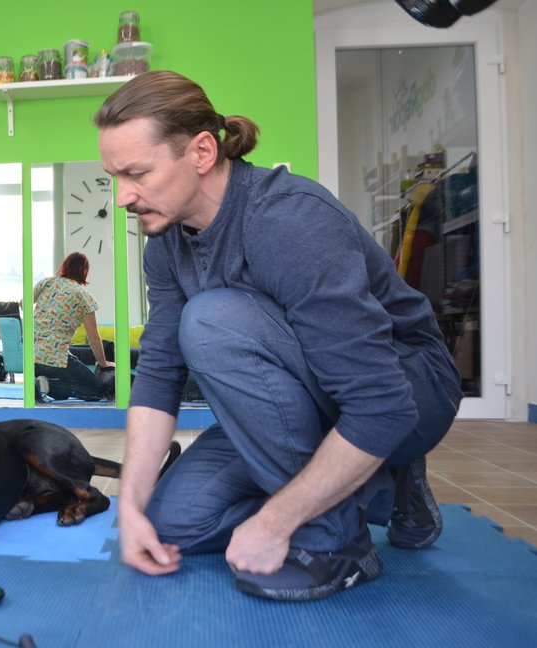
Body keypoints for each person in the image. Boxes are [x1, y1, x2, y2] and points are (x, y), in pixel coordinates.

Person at [95, 71, 462, 601]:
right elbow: (158, 375)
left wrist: (275, 524)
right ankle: (381, 484)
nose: (124, 196)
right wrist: (129, 507)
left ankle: (337, 543)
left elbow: (382, 404)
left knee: (211, 321)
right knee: (173, 524)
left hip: (409, 389)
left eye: (137, 173)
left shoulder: (287, 220)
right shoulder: (166, 244)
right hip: (309, 403)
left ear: (200, 152)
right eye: (115, 177)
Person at [33, 252, 114, 402]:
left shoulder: (46, 283)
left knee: (65, 390)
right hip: (55, 358)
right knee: (95, 391)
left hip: (31, 357)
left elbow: (22, 304)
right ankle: (47, 385)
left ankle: (41, 382)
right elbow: (94, 338)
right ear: (84, 271)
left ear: (64, 266)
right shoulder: (83, 296)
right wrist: (104, 363)